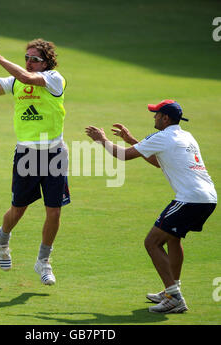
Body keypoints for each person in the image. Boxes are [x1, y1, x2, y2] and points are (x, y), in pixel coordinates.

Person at [85, 99, 217, 313]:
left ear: (165, 118)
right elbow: (159, 161)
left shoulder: (162, 136)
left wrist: (102, 140)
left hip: (190, 198)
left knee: (152, 242)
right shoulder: (186, 135)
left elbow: (123, 156)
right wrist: (131, 140)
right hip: (207, 197)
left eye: (156, 114)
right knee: (173, 239)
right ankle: (171, 291)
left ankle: (174, 297)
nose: (153, 117)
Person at [0, 38, 70, 285]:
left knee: (54, 211)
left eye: (34, 59)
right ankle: (2, 239)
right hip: (26, 154)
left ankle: (43, 261)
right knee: (19, 208)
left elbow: (29, 79)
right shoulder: (15, 80)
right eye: (26, 57)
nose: (28, 62)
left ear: (46, 62)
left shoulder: (54, 79)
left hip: (54, 153)